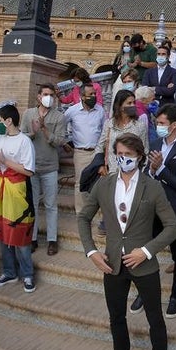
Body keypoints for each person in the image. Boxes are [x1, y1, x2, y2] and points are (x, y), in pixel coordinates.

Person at [78, 134, 176, 350]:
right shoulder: (104, 185)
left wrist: (146, 251)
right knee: (116, 315)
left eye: (129, 155)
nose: (124, 159)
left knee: (155, 316)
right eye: (120, 154)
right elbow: (83, 217)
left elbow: (172, 227)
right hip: (112, 263)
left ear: (139, 157)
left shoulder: (152, 187)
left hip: (144, 264)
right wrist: (91, 252)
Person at [134, 105, 176, 318]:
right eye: (157, 122)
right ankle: (144, 292)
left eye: (162, 123)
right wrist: (152, 171)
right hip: (153, 209)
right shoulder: (154, 144)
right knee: (146, 251)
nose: (158, 126)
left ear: (174, 125)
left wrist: (160, 169)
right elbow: (145, 174)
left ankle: (175, 296)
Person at [0, 105, 37, 293]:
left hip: (17, 189)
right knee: (3, 231)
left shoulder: (24, 141)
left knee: (20, 232)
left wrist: (5, 161)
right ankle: (9, 271)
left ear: (9, 121)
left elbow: (28, 170)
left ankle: (27, 274)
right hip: (1, 187)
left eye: (0, 121)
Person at [20, 83, 67, 255]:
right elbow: (21, 137)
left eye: (52, 95)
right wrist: (32, 133)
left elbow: (60, 141)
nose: (49, 97)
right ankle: (32, 239)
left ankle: (51, 240)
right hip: (31, 166)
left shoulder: (59, 116)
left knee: (51, 204)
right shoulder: (28, 114)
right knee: (32, 204)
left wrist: (45, 130)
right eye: (46, 94)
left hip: (50, 166)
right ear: (39, 96)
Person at [64, 85, 106, 218]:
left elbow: (105, 130)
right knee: (80, 183)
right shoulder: (72, 111)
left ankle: (98, 213)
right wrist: (65, 142)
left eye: (94, 94)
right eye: (90, 94)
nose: (93, 96)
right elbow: (61, 125)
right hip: (81, 152)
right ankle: (81, 214)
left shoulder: (100, 110)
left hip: (97, 152)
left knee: (99, 182)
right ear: (82, 97)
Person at [100, 88, 149, 175]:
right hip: (112, 172)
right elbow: (100, 146)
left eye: (134, 102)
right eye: (129, 103)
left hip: (133, 173)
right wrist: (100, 165)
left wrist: (142, 172)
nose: (133, 105)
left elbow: (145, 151)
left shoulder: (140, 125)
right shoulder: (109, 124)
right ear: (120, 106)